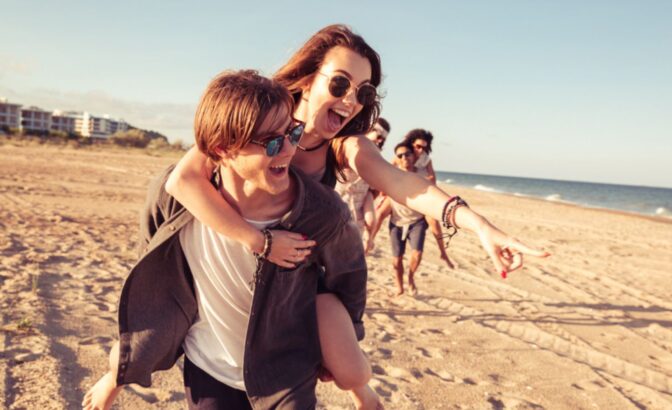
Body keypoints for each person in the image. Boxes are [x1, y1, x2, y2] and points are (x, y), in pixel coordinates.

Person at [165, 22, 548, 401]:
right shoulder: (261, 114)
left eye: (364, 92)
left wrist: (478, 225)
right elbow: (183, 180)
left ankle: (364, 393)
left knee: (344, 364)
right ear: (308, 79)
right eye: (339, 84)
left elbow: (402, 184)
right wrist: (258, 241)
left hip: (294, 275)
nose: (351, 100)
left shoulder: (345, 145)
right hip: (231, 266)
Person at [83, 70, 376, 410]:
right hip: (209, 366)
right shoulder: (175, 198)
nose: (288, 150)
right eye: (271, 142)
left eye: (292, 133)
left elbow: (349, 280)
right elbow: (151, 259)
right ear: (223, 149)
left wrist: (339, 348)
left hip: (287, 371)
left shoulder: (322, 212)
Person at [368, 142, 427, 296]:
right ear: (397, 158)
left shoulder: (422, 173)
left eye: (407, 154)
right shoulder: (392, 174)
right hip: (397, 221)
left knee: (417, 254)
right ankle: (399, 286)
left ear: (413, 156)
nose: (404, 157)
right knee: (396, 259)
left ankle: (411, 277)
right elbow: (378, 191)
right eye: (400, 155)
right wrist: (371, 239)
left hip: (417, 221)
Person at [334, 117, 390, 250]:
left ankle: (368, 240)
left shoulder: (375, 156)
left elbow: (374, 188)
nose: (380, 140)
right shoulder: (346, 143)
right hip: (337, 201)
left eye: (383, 139)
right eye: (379, 136)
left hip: (357, 205)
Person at [404, 129, 456, 269]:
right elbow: (392, 169)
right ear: (411, 143)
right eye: (418, 146)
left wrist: (422, 179)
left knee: (434, 222)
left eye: (424, 147)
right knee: (380, 212)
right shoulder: (403, 154)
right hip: (403, 193)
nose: (421, 150)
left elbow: (433, 178)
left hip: (422, 195)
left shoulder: (426, 159)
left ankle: (443, 253)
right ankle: (369, 241)